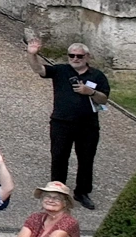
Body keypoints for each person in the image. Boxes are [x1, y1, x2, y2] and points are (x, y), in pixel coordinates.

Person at [27, 39, 108, 210]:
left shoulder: (97, 76)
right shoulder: (61, 70)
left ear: (87, 57)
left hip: (88, 125)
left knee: (86, 159)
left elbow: (104, 99)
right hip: (61, 122)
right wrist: (32, 54)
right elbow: (39, 69)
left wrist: (90, 92)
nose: (75, 59)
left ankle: (82, 192)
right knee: (59, 157)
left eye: (79, 56)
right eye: (72, 55)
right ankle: (57, 191)